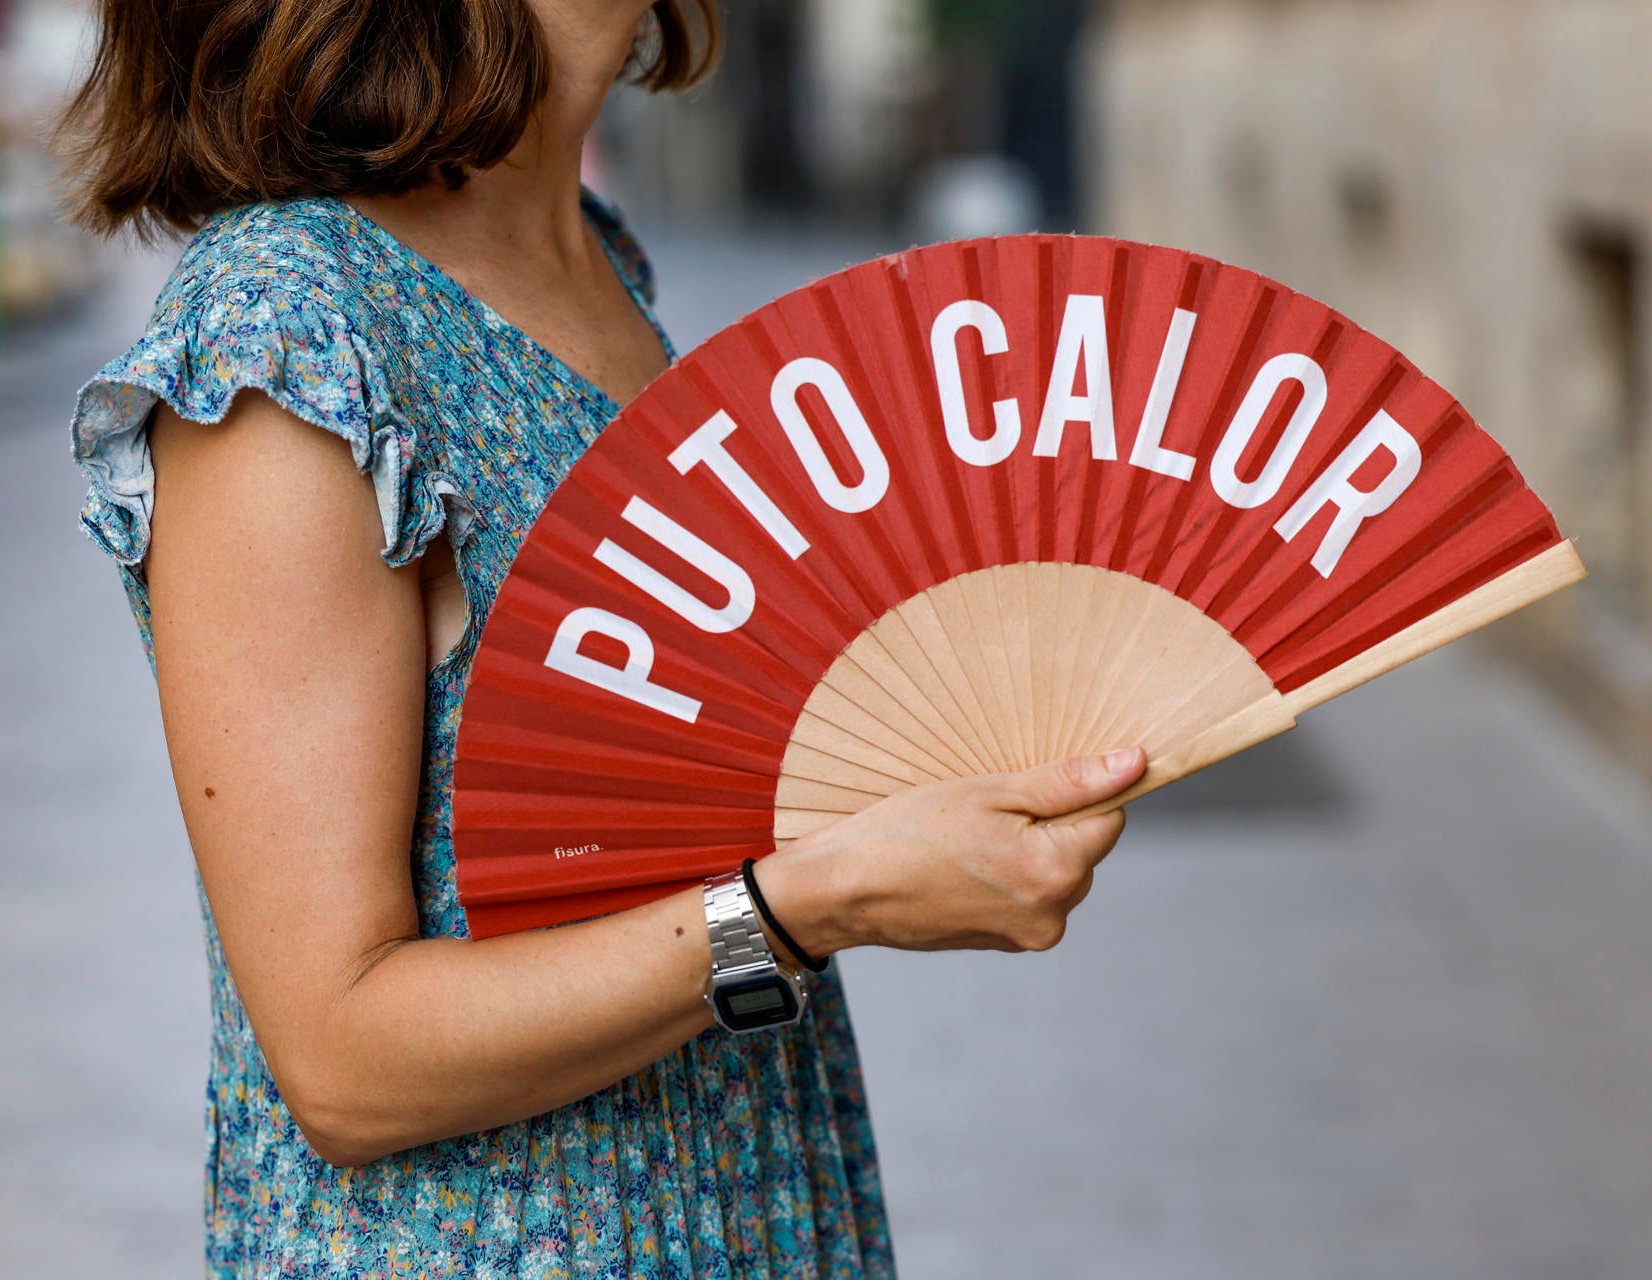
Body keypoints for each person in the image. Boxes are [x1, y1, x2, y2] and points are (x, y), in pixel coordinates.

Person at [61, 2, 1146, 1275]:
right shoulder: (287, 333)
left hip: (744, 1183)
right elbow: (342, 1058)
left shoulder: (591, 253)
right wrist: (819, 898)